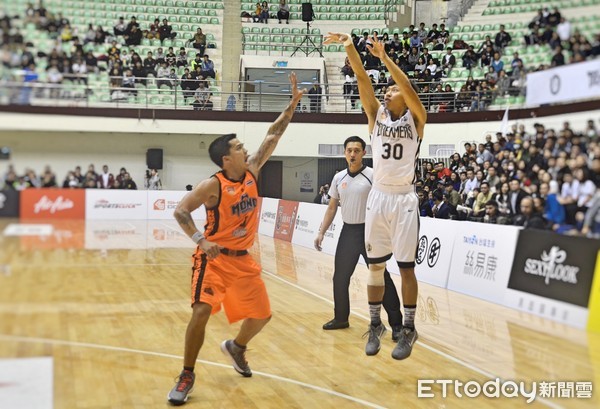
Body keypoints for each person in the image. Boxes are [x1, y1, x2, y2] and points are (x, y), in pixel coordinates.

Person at [167, 73, 305, 406]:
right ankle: (187, 373)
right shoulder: (211, 185)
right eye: (239, 148)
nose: (246, 150)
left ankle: (237, 348)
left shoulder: (253, 170)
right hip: (214, 259)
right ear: (226, 159)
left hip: (243, 258)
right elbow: (181, 212)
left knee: (261, 316)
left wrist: (292, 105)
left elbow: (273, 134)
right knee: (201, 312)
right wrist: (201, 241)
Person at [325, 32, 426, 360]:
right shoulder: (376, 117)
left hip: (404, 199)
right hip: (379, 198)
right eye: (386, 90)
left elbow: (408, 87)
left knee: (406, 268)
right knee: (375, 269)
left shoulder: (417, 120)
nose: (388, 92)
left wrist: (384, 58)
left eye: (392, 90)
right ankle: (375, 323)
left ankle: (408, 328)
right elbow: (361, 78)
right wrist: (349, 47)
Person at [314, 136, 403, 338]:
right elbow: (331, 208)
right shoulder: (338, 178)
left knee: (381, 277)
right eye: (349, 150)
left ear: (364, 152)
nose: (352, 154)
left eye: (356, 150)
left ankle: (397, 324)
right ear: (345, 153)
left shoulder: (374, 175)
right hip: (348, 232)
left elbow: (387, 203)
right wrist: (321, 232)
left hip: (371, 232)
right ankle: (341, 318)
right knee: (340, 277)